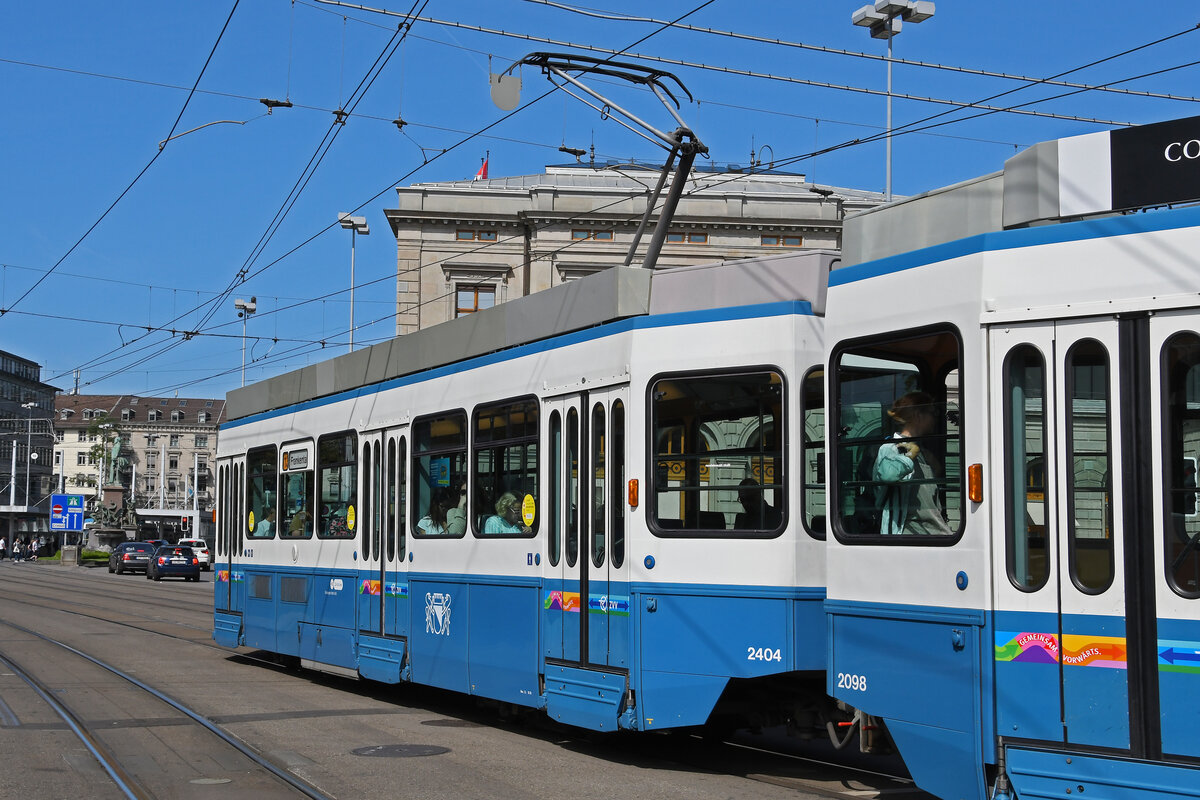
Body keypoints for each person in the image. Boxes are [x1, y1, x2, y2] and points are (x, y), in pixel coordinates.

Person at [873, 391, 953, 535]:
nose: (935, 418)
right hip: (910, 533)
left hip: (933, 531)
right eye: (932, 413)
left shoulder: (922, 451)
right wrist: (910, 455)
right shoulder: (891, 447)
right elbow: (888, 475)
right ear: (918, 415)